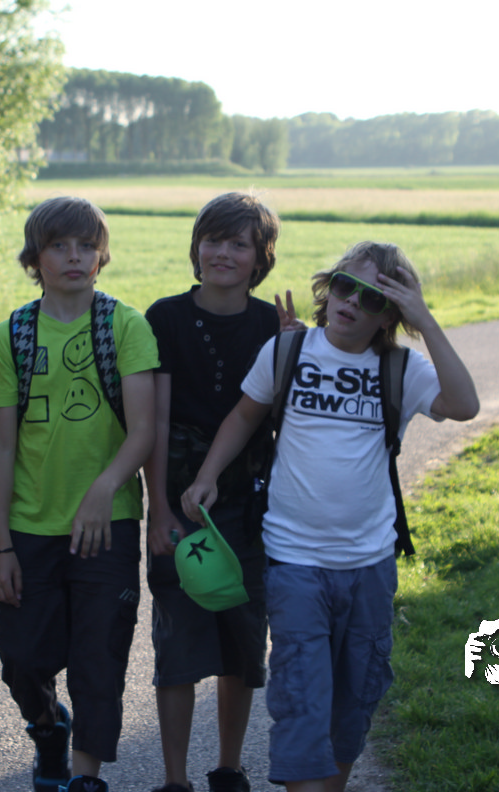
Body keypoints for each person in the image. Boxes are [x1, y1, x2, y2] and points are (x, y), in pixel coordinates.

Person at [181, 241, 479, 792]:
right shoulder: (287, 351)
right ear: (328, 287)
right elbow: (244, 416)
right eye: (345, 286)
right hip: (294, 560)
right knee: (300, 695)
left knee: (355, 695)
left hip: (369, 565)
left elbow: (464, 405)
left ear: (389, 315)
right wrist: (207, 475)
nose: (352, 302)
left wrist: (425, 320)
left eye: (372, 298)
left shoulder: (401, 368)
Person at [0, 196, 158, 792]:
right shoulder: (12, 335)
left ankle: (85, 779)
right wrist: (1, 546)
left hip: (109, 525)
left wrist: (105, 487)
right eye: (59, 246)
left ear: (102, 255)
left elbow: (144, 431)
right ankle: (46, 726)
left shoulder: (125, 326)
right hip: (30, 527)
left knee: (98, 659)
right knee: (21, 657)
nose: (74, 257)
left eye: (87, 246)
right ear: (35, 258)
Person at [142, 192, 295, 792]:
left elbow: (286, 423)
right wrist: (158, 509)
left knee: (241, 642)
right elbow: (153, 422)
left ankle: (229, 769)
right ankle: (175, 778)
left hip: (251, 506)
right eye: (213, 240)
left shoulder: (271, 326)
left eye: (239, 244)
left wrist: (295, 354)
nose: (223, 253)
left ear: (261, 258)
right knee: (176, 641)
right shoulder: (165, 318)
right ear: (195, 247)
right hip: (180, 504)